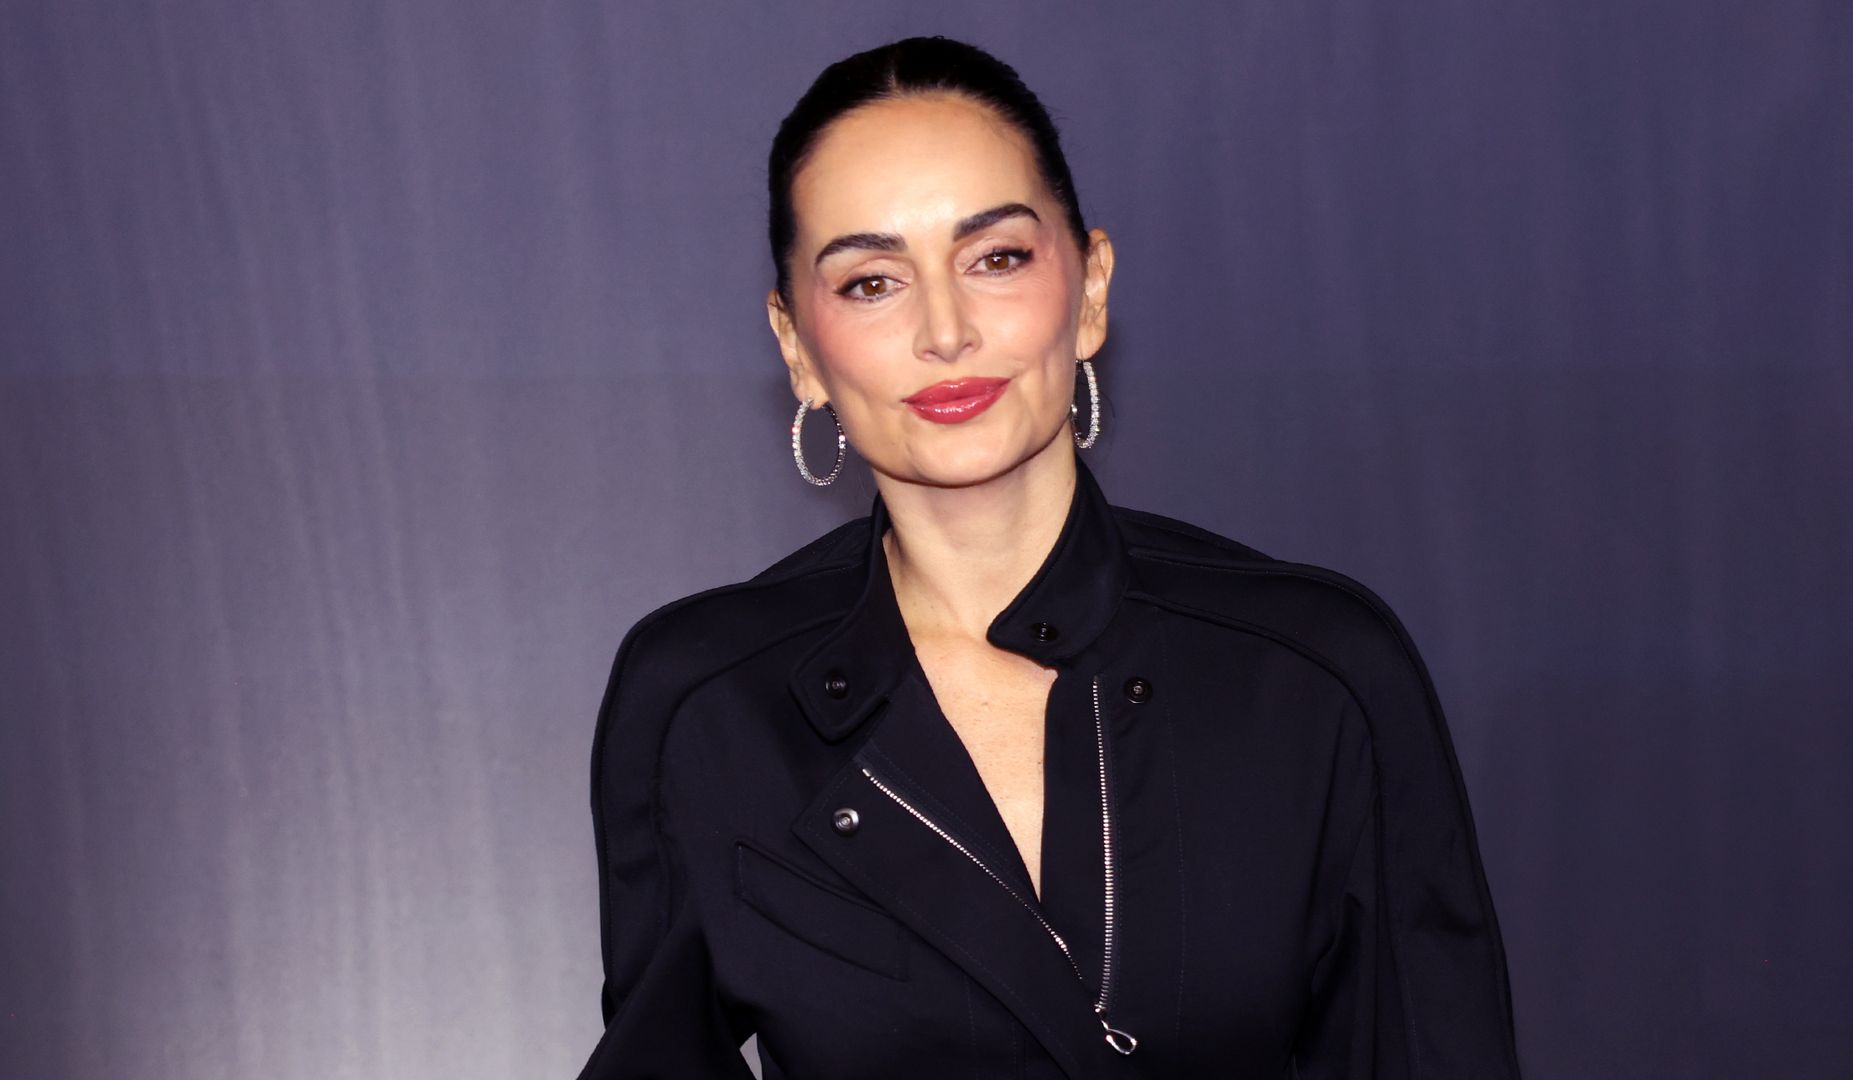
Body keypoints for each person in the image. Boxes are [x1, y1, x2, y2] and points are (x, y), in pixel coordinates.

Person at [577, 35, 1519, 1080]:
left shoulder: (1316, 674)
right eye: (872, 282)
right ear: (797, 345)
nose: (945, 330)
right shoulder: (706, 702)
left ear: (1093, 287)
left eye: (996, 259)